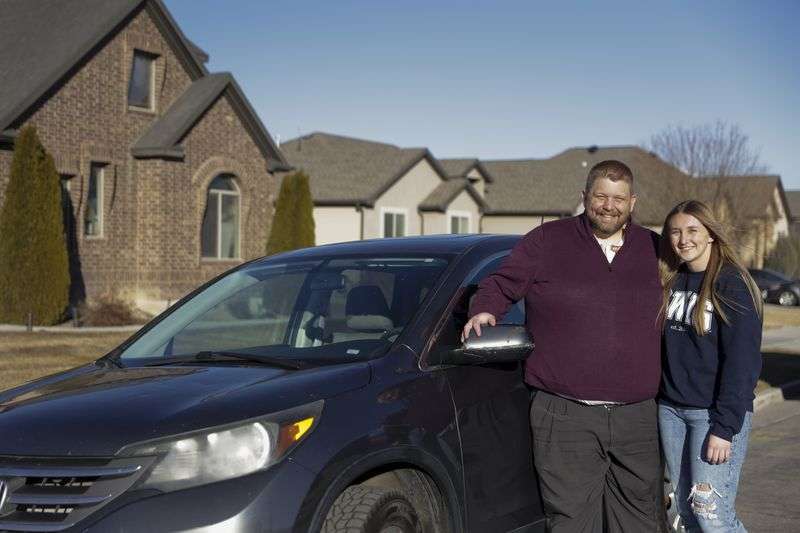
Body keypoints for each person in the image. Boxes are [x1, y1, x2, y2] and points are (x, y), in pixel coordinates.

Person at [462, 160, 663, 532]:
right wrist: (485, 310)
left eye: (619, 198)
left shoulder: (655, 248)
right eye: (600, 195)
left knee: (641, 522)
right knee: (571, 521)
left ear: (632, 202)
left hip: (638, 418)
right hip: (565, 414)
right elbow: (502, 283)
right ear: (584, 197)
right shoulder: (546, 240)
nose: (609, 205)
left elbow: (694, 293)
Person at [658, 200, 762, 532]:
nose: (683, 239)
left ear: (711, 235)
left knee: (711, 514)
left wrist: (724, 427)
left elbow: (742, 361)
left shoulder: (731, 283)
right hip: (671, 411)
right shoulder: (670, 279)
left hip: (712, 416)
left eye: (692, 231)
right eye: (675, 232)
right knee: (686, 513)